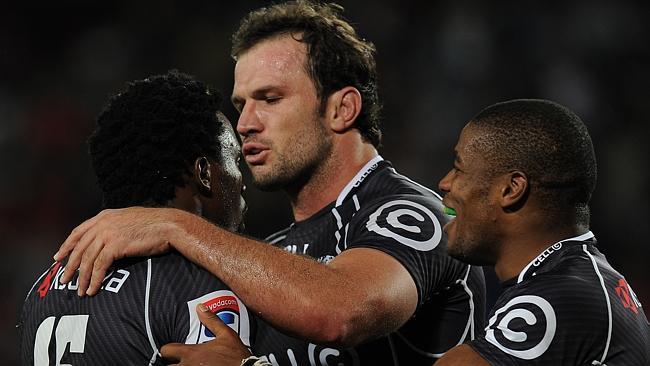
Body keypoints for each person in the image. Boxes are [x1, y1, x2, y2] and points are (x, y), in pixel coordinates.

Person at [54, 1, 486, 365]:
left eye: (270, 99)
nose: (244, 124)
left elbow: (341, 313)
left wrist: (174, 224)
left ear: (342, 109)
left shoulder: (415, 215)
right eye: (241, 104)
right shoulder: (270, 255)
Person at [18, 71, 253, 365]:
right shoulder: (198, 288)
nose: (242, 181)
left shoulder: (42, 288)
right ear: (204, 173)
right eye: (235, 160)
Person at [432, 99, 649, 365]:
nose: (445, 183)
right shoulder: (580, 279)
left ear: (511, 190)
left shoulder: (563, 297)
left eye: (459, 168)